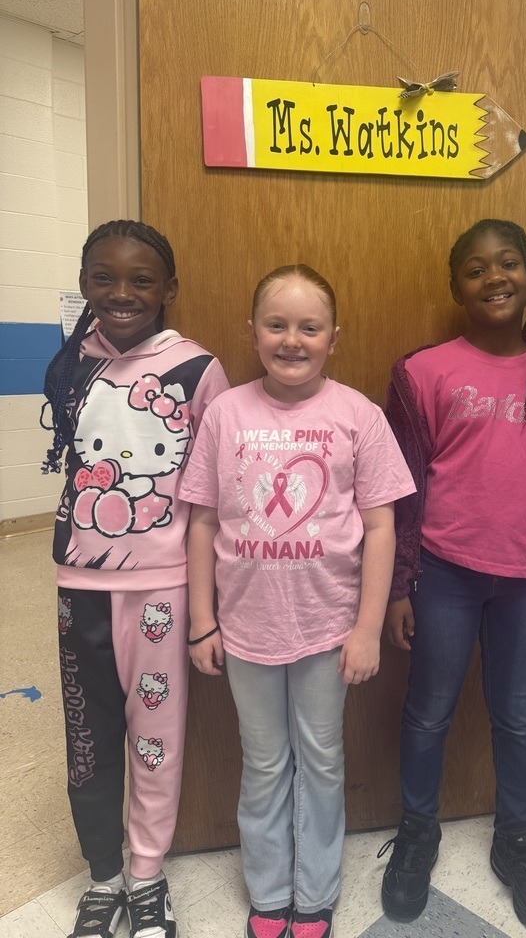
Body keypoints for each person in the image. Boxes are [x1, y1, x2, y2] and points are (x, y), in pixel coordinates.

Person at [379, 219, 526, 934]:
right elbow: (398, 488)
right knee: (427, 711)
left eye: (508, 264)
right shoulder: (422, 372)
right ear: (457, 288)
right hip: (442, 574)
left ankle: (517, 842)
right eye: (475, 269)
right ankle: (418, 833)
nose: (494, 277)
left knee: (520, 715)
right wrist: (395, 584)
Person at [179, 264, 416, 938]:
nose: (292, 339)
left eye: (308, 327)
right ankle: (269, 890)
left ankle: (314, 894)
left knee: (321, 758)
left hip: (327, 629)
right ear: (252, 333)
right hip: (246, 629)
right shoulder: (226, 414)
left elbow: (380, 527)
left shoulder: (356, 416)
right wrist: (201, 623)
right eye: (276, 325)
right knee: (262, 761)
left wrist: (367, 628)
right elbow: (201, 522)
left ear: (333, 338)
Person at [40, 220, 229, 938]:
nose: (121, 293)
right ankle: (104, 877)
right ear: (85, 283)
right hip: (79, 587)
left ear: (168, 290)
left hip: (162, 589)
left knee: (155, 737)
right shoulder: (68, 365)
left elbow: (214, 493)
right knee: (88, 736)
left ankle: (147, 875)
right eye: (104, 278)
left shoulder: (197, 369)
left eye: (141, 279)